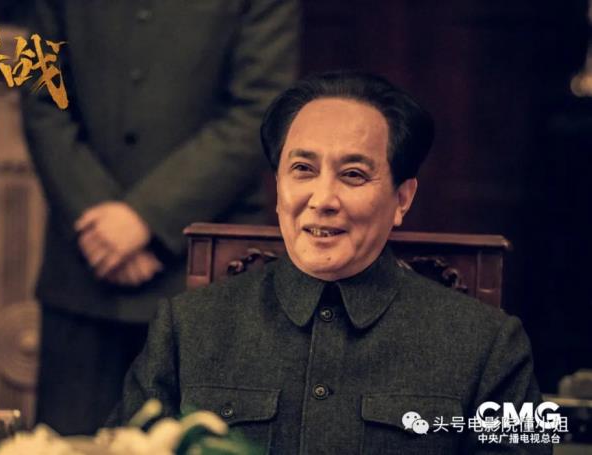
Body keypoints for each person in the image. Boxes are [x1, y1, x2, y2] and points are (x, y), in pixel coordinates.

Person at [119, 71, 551, 454]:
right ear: (278, 187)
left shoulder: (491, 345)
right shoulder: (186, 328)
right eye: (303, 169)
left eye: (353, 175)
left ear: (402, 199)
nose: (323, 199)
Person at [21, 0, 299, 435]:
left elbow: (260, 110)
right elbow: (40, 97)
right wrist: (98, 218)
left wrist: (147, 219)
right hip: (83, 268)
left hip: (204, 270)